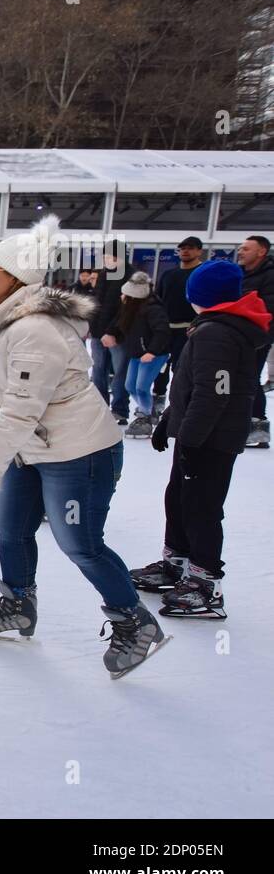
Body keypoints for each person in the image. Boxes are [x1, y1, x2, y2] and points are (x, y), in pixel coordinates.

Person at [0, 216, 165, 678]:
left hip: (78, 453)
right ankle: (17, 603)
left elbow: (21, 411)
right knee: (12, 527)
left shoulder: (33, 329)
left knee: (80, 544)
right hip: (33, 449)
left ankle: (134, 622)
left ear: (16, 279)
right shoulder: (9, 323)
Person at [131, 259, 270, 620]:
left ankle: (205, 583)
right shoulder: (212, 327)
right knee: (178, 498)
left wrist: (190, 440)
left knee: (201, 508)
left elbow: (214, 394)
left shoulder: (218, 333)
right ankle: (177, 563)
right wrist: (168, 421)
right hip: (200, 434)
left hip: (212, 439)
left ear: (199, 295)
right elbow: (189, 388)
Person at [106, 271, 171, 438]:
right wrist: (111, 334)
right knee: (130, 386)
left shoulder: (153, 309)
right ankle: (147, 410)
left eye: (125, 294)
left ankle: (146, 416)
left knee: (141, 387)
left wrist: (152, 351)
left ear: (134, 296)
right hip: (136, 354)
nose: (122, 296)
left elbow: (162, 331)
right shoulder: (129, 309)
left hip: (153, 355)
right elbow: (119, 324)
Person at [150, 237, 204, 408]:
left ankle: (179, 405)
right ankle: (157, 401)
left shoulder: (202, 273)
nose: (185, 251)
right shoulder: (168, 274)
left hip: (190, 330)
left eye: (190, 248)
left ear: (199, 251)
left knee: (182, 370)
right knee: (160, 367)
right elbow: (157, 301)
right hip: (165, 330)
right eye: (182, 248)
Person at [236, 234, 274, 447]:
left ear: (261, 251)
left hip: (257, 337)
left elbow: (267, 308)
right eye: (241, 248)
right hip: (237, 336)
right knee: (239, 379)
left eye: (246, 249)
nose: (241, 252)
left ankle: (258, 424)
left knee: (250, 378)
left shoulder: (270, 275)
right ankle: (243, 422)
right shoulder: (241, 274)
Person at [91, 247, 131, 424]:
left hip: (119, 334)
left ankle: (120, 410)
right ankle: (100, 407)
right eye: (105, 256)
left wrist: (112, 332)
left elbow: (127, 309)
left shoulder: (131, 276)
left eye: (110, 256)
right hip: (98, 332)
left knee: (120, 372)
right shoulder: (103, 274)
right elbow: (97, 303)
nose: (106, 259)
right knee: (98, 370)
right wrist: (91, 326)